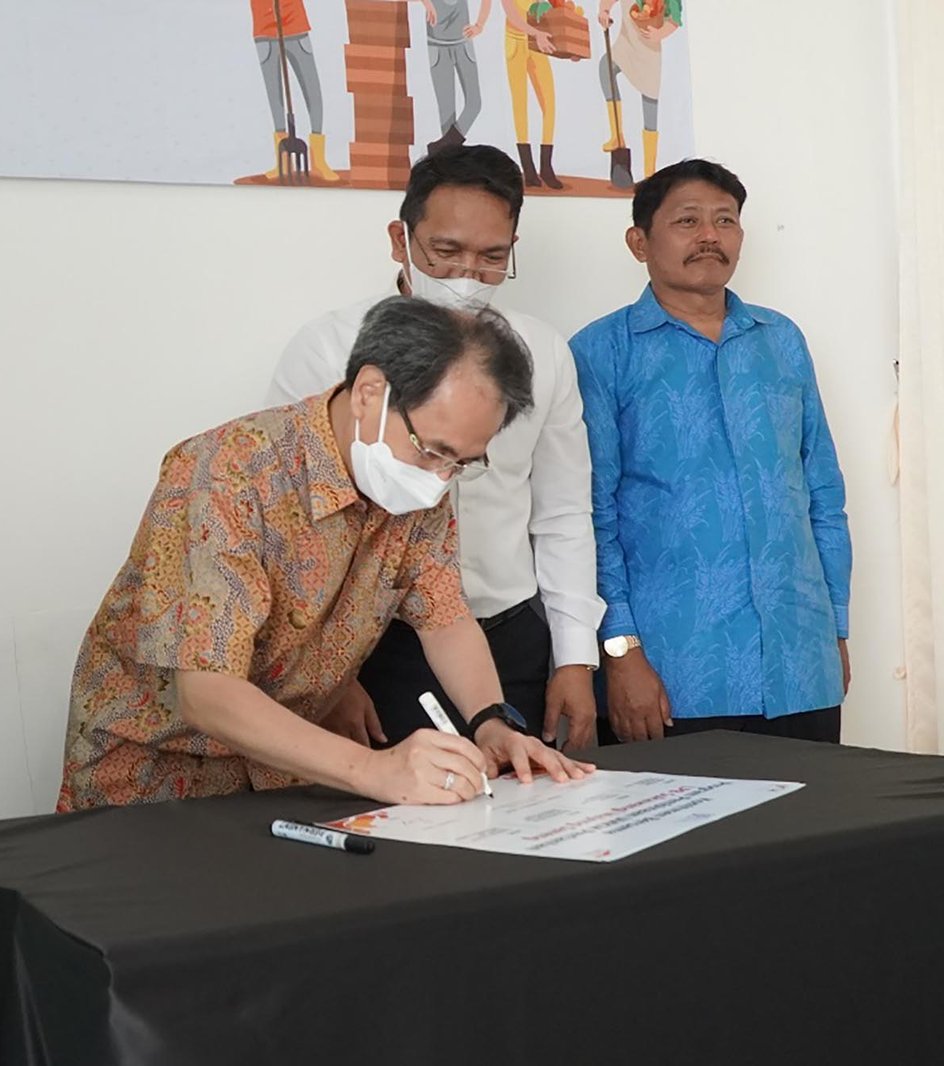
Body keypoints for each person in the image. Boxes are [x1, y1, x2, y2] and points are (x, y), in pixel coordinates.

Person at [59, 297, 592, 812]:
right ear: (369, 393)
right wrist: (375, 769)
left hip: (286, 767)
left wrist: (491, 722)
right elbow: (206, 691)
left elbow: (445, 617)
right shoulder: (227, 473)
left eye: (462, 464)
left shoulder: (417, 486)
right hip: (156, 778)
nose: (439, 479)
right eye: (434, 451)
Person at [270, 146, 603, 751]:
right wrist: (328, 674)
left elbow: (562, 513)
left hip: (507, 635)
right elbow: (291, 523)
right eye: (445, 251)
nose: (466, 275)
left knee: (521, 789)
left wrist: (575, 656)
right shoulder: (328, 349)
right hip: (372, 646)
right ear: (400, 239)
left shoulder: (543, 352)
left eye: (491, 257)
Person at [571, 159, 851, 744]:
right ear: (638, 242)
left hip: (799, 664)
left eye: (725, 221)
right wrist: (620, 650)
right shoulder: (601, 352)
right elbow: (589, 516)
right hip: (672, 675)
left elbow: (823, 495)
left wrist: (835, 631)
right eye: (687, 221)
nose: (709, 236)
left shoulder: (781, 340)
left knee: (817, 807)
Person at [251, 0, 340, 183]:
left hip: (295, 26)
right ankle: (283, 161)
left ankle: (318, 160)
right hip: (264, 30)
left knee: (312, 90)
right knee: (275, 96)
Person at [598, 0, 681, 180]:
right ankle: (617, 136)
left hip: (649, 51)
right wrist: (604, 11)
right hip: (626, 44)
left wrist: (660, 33)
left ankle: (649, 173)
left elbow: (675, 18)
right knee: (606, 67)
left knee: (649, 104)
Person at [501, 0, 563, 188]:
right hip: (516, 42)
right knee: (520, 104)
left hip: (537, 44)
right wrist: (536, 33)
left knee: (549, 104)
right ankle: (528, 169)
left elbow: (550, 13)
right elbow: (512, 15)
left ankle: (546, 167)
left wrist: (567, 48)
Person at [420, 0, 493, 156]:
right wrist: (427, 3)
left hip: (463, 44)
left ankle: (443, 147)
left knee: (474, 103)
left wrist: (479, 25)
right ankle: (448, 155)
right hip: (437, 46)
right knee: (446, 111)